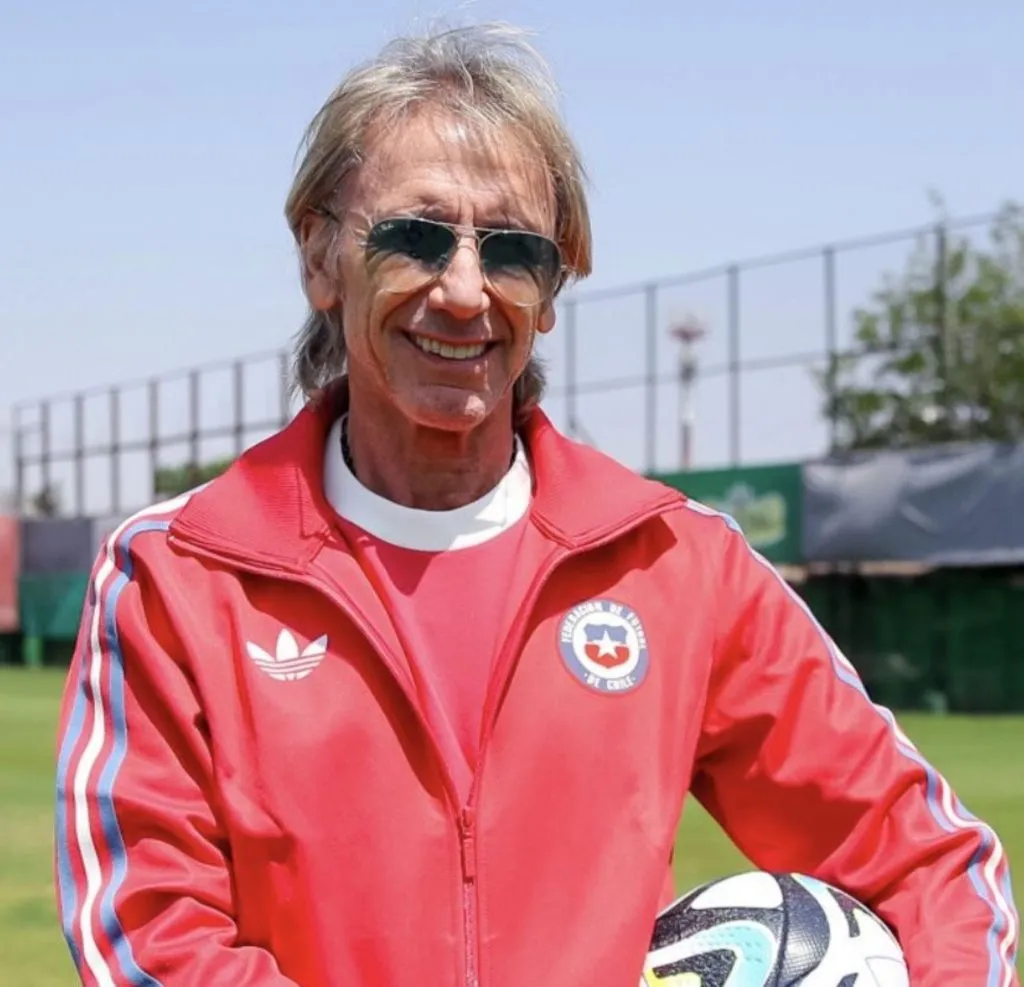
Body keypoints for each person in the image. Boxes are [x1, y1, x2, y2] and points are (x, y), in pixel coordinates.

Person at [54, 22, 1018, 987]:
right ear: (319, 258)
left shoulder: (677, 564)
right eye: (415, 236)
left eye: (512, 250)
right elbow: (150, 937)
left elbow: (933, 867)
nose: (466, 291)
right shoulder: (177, 573)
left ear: (552, 290)